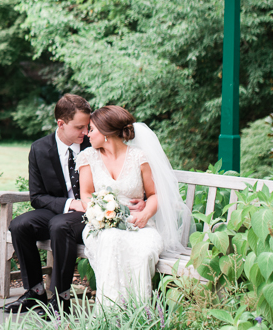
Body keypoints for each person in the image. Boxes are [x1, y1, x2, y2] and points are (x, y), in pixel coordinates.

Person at [76, 105, 191, 306]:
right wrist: (98, 212)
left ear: (106, 133)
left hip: (139, 225)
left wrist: (146, 214)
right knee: (111, 240)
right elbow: (85, 194)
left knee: (143, 251)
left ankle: (137, 313)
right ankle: (110, 313)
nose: (87, 134)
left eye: (92, 129)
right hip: (102, 226)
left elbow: (155, 194)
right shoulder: (88, 156)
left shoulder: (139, 157)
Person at [4, 94, 106, 315]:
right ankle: (35, 291)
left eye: (87, 126)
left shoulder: (95, 144)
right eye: (80, 127)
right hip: (61, 209)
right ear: (61, 124)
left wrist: (87, 203)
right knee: (20, 225)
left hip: (90, 213)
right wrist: (71, 203)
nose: (86, 132)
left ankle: (62, 298)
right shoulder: (40, 149)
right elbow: (37, 197)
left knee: (60, 226)